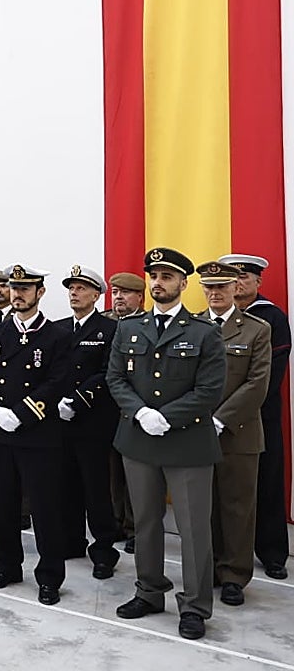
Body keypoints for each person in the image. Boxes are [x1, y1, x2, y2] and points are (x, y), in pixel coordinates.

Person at [108, 247, 224, 641]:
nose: (158, 282)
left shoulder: (203, 332)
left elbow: (210, 389)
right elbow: (115, 378)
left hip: (188, 443)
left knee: (193, 529)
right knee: (144, 522)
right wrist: (141, 413)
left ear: (183, 284)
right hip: (139, 439)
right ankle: (149, 590)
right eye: (154, 276)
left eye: (167, 276)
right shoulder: (129, 327)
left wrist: (167, 417)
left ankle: (194, 606)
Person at [0, 263, 67, 606]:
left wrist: (23, 413)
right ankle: (7, 567)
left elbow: (58, 382)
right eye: (15, 288)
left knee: (45, 508)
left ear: (40, 292)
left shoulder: (56, 335)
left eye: (25, 288)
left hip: (38, 434)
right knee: (2, 504)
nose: (18, 294)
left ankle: (50, 577)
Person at [196, 261, 271, 607]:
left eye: (222, 286)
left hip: (238, 433)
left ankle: (234, 576)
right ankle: (209, 568)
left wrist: (220, 419)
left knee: (237, 507)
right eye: (209, 287)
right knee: (202, 505)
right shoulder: (192, 326)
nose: (215, 293)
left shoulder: (256, 329)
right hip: (195, 432)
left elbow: (257, 384)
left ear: (235, 288)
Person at [219, 253, 292, 580]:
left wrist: (238, 407)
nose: (238, 283)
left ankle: (272, 553)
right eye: (232, 277)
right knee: (223, 489)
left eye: (245, 277)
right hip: (217, 419)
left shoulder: (272, 318)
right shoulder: (215, 317)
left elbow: (269, 375)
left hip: (260, 416)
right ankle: (225, 553)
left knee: (266, 484)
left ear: (258, 281)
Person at [55, 265, 120, 579]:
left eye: (81, 288)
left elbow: (109, 372)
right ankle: (71, 541)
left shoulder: (109, 329)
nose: (74, 293)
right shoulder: (57, 328)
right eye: (71, 288)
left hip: (93, 420)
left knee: (96, 488)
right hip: (60, 419)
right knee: (65, 484)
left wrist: (77, 399)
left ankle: (104, 550)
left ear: (96, 295)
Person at [104, 271, 148, 552]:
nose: (118, 297)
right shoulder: (105, 323)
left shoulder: (148, 324)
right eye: (115, 292)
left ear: (140, 297)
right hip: (106, 409)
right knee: (110, 472)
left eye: (125, 293)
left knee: (137, 476)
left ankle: (136, 528)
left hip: (137, 409)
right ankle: (114, 522)